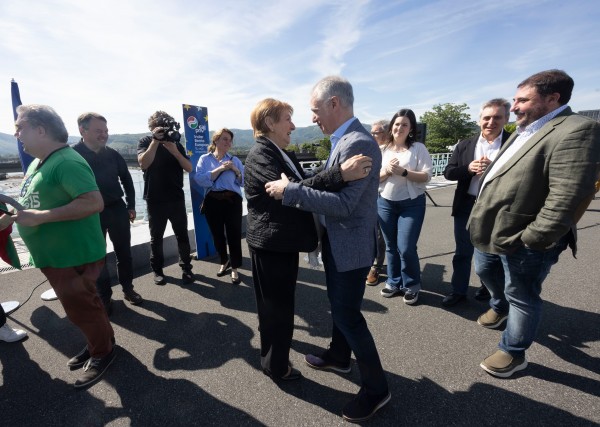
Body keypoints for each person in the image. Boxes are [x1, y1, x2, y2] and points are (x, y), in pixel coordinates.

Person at [265, 76, 390, 423]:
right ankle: (339, 355)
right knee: (340, 307)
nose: (313, 118)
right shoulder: (345, 139)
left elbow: (346, 205)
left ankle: (377, 389)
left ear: (334, 104)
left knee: (348, 315)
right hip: (342, 242)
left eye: (315, 110)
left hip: (349, 244)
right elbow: (331, 182)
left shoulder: (357, 143)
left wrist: (290, 191)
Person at [469, 70, 600, 378]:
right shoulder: (526, 128)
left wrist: (534, 238)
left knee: (523, 294)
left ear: (552, 99)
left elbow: (567, 196)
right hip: (493, 231)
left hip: (526, 239)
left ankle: (513, 352)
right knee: (486, 269)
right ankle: (500, 307)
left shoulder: (578, 130)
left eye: (523, 100)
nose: (513, 107)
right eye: (515, 99)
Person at [246, 98, 371, 382]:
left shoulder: (276, 150)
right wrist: (340, 174)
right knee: (275, 311)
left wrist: (326, 177)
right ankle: (276, 367)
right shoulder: (261, 155)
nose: (293, 125)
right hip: (271, 245)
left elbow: (296, 184)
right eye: (287, 119)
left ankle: (275, 362)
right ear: (270, 123)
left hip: (281, 243)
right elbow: (286, 191)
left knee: (280, 308)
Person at [4, 104, 116, 388]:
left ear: (41, 130)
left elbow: (93, 202)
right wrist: (12, 218)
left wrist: (40, 217)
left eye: (20, 127)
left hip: (74, 255)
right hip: (57, 256)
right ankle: (98, 342)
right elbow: (34, 204)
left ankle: (103, 351)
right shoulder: (38, 162)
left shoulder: (66, 161)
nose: (16, 133)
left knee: (83, 309)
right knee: (84, 307)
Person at [441, 99, 511, 307]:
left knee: (492, 253)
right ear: (479, 119)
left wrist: (494, 169)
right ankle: (458, 291)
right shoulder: (465, 145)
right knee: (463, 252)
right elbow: (448, 173)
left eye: (497, 117)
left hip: (496, 207)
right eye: (487, 117)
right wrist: (469, 169)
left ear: (506, 119)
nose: (491, 122)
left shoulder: (514, 143)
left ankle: (489, 288)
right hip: (467, 205)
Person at [73, 112, 143, 314]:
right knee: (97, 256)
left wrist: (131, 205)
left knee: (124, 252)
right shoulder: (73, 156)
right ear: (82, 130)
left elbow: (127, 180)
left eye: (106, 131)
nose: (104, 135)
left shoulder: (113, 154)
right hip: (90, 213)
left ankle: (128, 289)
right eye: (99, 131)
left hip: (116, 208)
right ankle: (104, 296)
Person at [377, 109, 432, 305]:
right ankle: (393, 282)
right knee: (391, 246)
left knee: (406, 247)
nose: (400, 128)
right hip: (384, 203)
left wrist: (404, 172)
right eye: (397, 124)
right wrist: (387, 171)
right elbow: (374, 178)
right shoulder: (382, 150)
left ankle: (411, 285)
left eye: (405, 125)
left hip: (412, 203)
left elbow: (426, 176)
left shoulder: (418, 148)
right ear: (391, 126)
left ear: (411, 129)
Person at [138, 111, 194, 286]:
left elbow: (189, 167)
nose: (162, 130)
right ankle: (157, 270)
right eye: (157, 126)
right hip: (155, 199)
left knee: (182, 235)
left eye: (164, 126)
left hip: (176, 198)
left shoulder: (175, 142)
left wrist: (175, 152)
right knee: (157, 237)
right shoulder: (146, 142)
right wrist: (155, 142)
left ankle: (186, 268)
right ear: (151, 128)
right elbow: (143, 163)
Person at [194, 128, 244, 284]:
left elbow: (243, 182)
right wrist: (221, 168)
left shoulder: (235, 160)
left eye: (230, 140)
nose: (228, 142)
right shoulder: (204, 159)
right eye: (225, 139)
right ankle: (224, 261)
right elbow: (200, 179)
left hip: (232, 201)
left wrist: (235, 170)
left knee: (234, 235)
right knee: (217, 235)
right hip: (213, 201)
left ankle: (235, 267)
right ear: (216, 141)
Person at [365, 119, 389, 286]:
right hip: (370, 196)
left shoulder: (392, 150)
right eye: (371, 132)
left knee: (380, 235)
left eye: (375, 132)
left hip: (386, 196)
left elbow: (374, 177)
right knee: (371, 232)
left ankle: (376, 266)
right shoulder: (371, 149)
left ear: (386, 134)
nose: (372, 135)